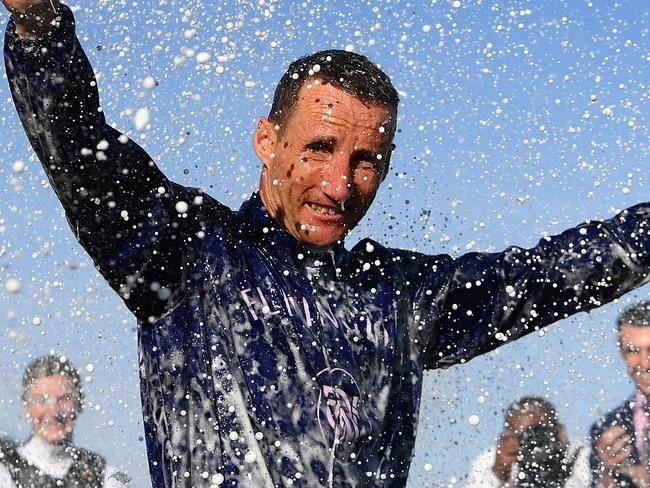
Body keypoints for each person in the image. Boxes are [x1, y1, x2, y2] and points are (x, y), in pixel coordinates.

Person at [3, 1, 650, 487]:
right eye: (318, 148)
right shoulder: (187, 255)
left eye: (367, 160)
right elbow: (78, 148)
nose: (340, 185)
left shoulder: (398, 296)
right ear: (267, 141)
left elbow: (548, 275)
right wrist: (38, 27)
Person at [0, 354, 130, 488]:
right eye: (41, 400)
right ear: (26, 407)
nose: (54, 411)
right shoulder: (4, 471)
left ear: (79, 403)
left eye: (64, 399)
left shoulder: (105, 476)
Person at [465, 396, 589, 487]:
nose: (533, 441)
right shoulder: (492, 458)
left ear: (560, 431)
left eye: (539, 432)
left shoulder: (581, 453)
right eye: (523, 436)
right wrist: (498, 473)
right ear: (508, 436)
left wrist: (559, 464)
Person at [590, 302, 650, 487]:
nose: (645, 363)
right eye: (633, 351)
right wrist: (608, 475)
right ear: (621, 352)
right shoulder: (606, 429)